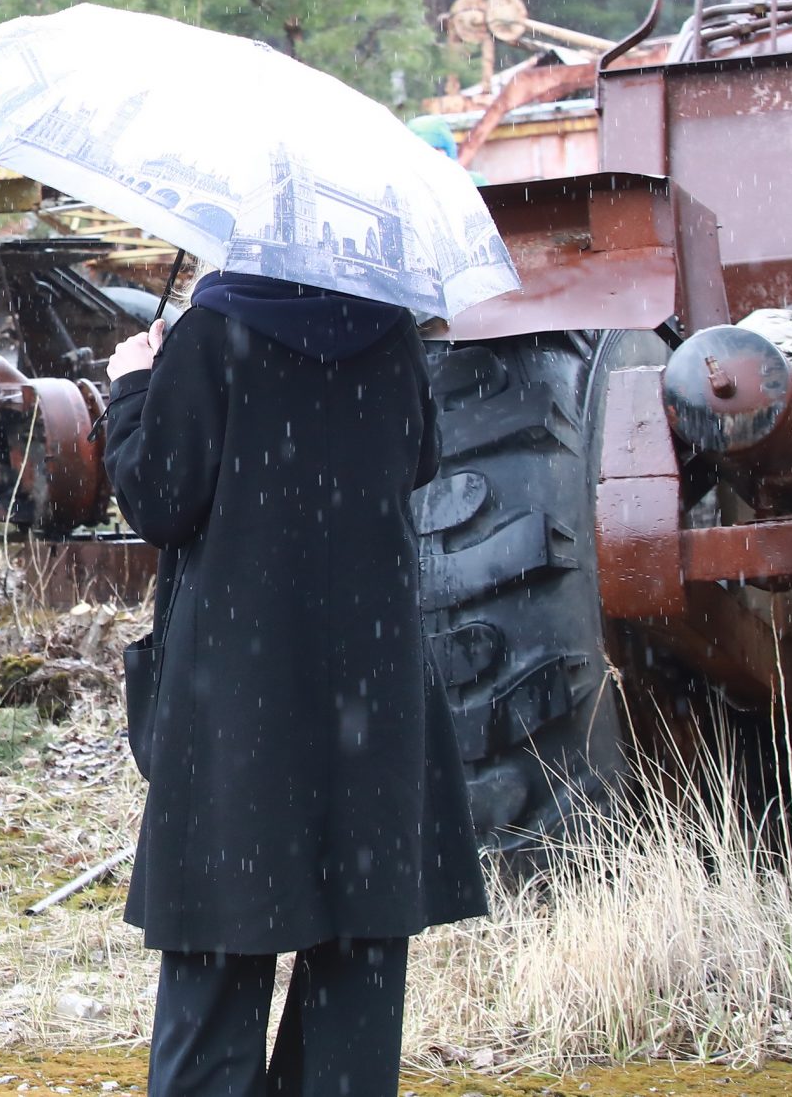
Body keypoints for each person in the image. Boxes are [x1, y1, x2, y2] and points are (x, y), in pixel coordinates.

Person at [102, 270, 487, 1097]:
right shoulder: (390, 333)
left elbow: (158, 496)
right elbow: (420, 455)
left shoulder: (214, 331)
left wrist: (135, 383)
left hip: (240, 703)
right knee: (357, 992)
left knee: (213, 984)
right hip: (372, 701)